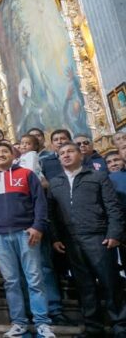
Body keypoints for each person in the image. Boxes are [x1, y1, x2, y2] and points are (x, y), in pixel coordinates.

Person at [0, 142, 55, 338]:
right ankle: (18, 322)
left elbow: (40, 202)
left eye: (5, 151)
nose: (1, 154)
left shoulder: (27, 174)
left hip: (26, 233)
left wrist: (37, 226)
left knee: (34, 278)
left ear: (14, 155)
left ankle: (42, 323)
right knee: (11, 281)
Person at [48, 142, 126, 338]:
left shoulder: (98, 176)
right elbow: (52, 215)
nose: (65, 155)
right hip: (71, 241)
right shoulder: (55, 182)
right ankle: (93, 327)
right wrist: (56, 238)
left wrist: (114, 234)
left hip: (98, 237)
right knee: (85, 286)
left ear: (80, 155)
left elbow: (113, 207)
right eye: (62, 153)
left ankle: (120, 326)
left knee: (110, 283)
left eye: (70, 151)